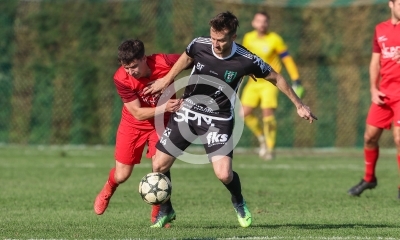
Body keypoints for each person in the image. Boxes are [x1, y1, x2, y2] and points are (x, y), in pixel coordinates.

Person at [143, 11, 317, 228]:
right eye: (213, 38)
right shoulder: (199, 44)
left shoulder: (246, 60)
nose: (215, 43)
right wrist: (166, 80)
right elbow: (187, 56)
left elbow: (277, 77)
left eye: (221, 39)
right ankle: (167, 210)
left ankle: (239, 201)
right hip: (187, 111)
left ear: (233, 37)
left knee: (224, 174)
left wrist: (299, 105)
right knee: (158, 165)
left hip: (218, 118)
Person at [93, 39, 182, 227]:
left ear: (144, 58)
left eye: (133, 66)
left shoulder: (163, 62)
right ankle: (109, 188)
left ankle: (159, 213)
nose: (130, 72)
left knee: (160, 165)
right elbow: (137, 113)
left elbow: (193, 58)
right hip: (133, 123)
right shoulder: (121, 78)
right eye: (126, 68)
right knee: (122, 175)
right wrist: (166, 106)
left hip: (161, 122)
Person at [347, 0, 400, 198]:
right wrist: (373, 89)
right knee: (369, 137)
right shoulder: (380, 29)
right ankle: (369, 178)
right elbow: (375, 62)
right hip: (384, 93)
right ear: (391, 4)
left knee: (399, 138)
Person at [240, 11, 305, 160]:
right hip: (253, 82)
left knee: (267, 114)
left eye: (264, 21)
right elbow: (242, 58)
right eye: (258, 21)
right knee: (244, 113)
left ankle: (270, 149)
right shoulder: (248, 38)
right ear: (253, 23)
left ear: (268, 23)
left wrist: (296, 79)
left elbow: (287, 60)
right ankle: (262, 139)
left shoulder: (275, 39)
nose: (261, 24)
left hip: (270, 82)